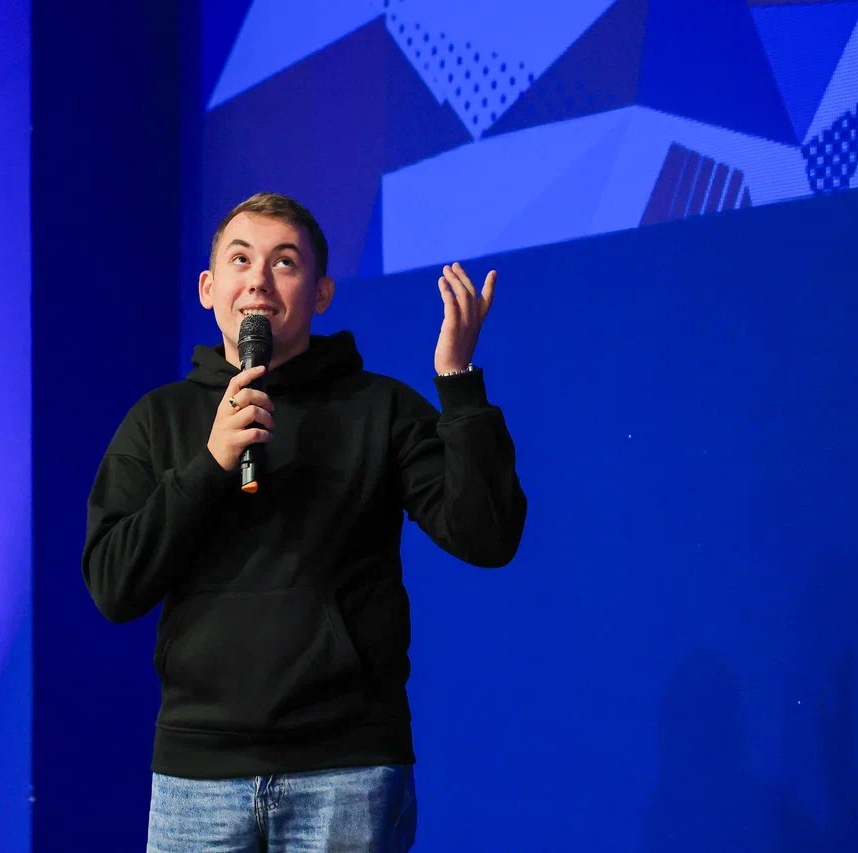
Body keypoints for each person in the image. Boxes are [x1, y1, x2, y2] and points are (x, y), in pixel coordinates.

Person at [83, 192, 527, 851]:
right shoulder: (159, 420)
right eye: (240, 260)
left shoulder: (380, 409)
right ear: (208, 288)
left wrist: (457, 381)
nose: (258, 280)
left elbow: (487, 536)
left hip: (346, 768)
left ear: (321, 293)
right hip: (197, 775)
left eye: (284, 262)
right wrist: (210, 465)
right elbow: (113, 585)